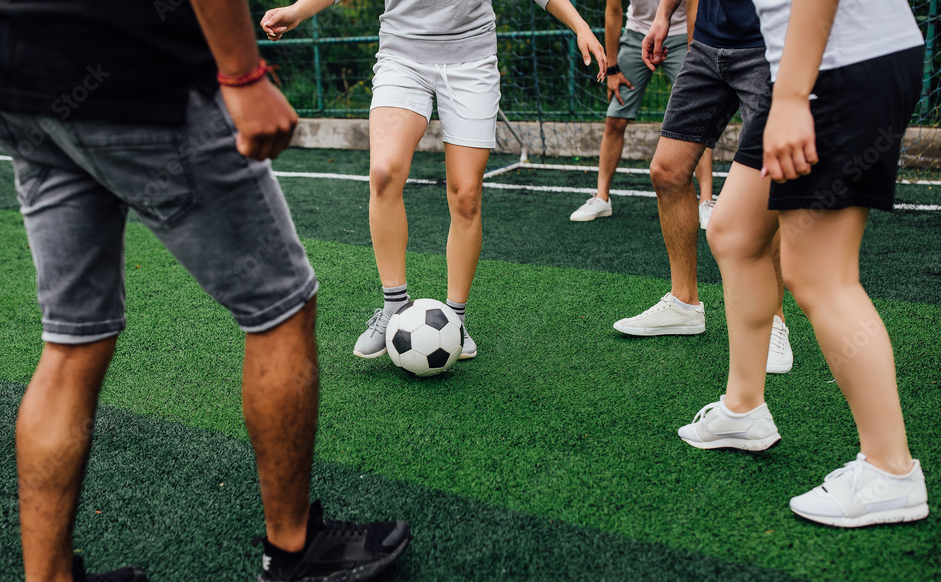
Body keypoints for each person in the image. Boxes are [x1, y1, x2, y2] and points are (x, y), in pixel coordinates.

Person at [0, 1, 410, 582]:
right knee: (281, 308)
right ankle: (292, 553)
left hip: (17, 69)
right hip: (137, 71)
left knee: (70, 338)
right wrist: (243, 76)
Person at [679, 0, 929, 527]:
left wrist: (793, 97)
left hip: (838, 67)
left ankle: (891, 471)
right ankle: (743, 408)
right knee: (734, 232)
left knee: (820, 276)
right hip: (807, 70)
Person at [262, 0, 607, 361]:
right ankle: (394, 305)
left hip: (472, 62)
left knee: (466, 197)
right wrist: (298, 10)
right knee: (383, 174)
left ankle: (455, 320)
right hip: (402, 58)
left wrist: (580, 25)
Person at [611, 0, 793, 376]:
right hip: (706, 45)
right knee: (667, 171)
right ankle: (684, 303)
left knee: (767, 181)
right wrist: (663, 16)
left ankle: (773, 320)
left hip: (768, 44)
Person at [569, 0, 715, 228]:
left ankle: (706, 201)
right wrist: (612, 69)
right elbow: (613, 11)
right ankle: (601, 198)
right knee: (615, 119)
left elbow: (693, 7)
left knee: (695, 119)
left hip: (682, 35)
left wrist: (693, 54)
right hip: (637, 35)